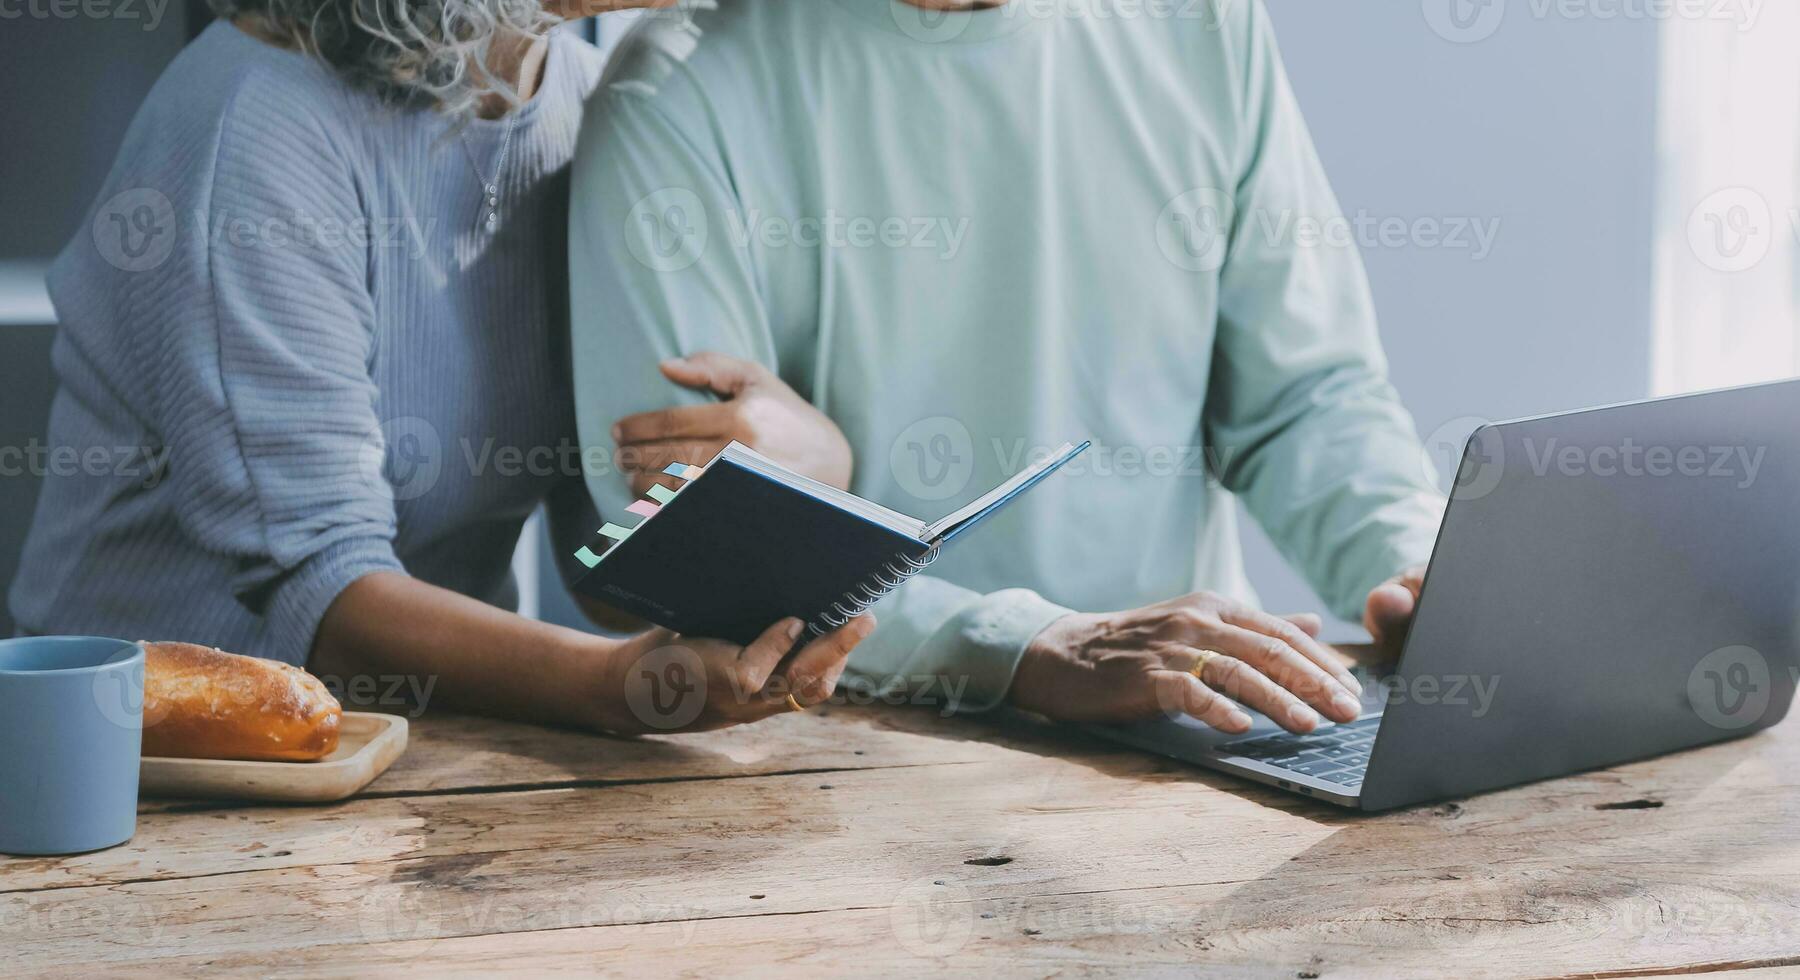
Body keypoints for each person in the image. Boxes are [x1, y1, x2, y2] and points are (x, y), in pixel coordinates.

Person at [570, 0, 1446, 735]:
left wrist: (1412, 561)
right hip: (836, 758)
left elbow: (1305, 397)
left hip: (1206, 721)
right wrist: (1030, 645)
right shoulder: (678, 92)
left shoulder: (1204, 23)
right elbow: (694, 560)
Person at [8, 0, 872, 734]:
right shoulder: (256, 115)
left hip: (435, 749)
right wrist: (619, 687)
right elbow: (323, 593)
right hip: (145, 764)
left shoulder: (588, 102)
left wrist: (812, 467)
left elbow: (604, 570)